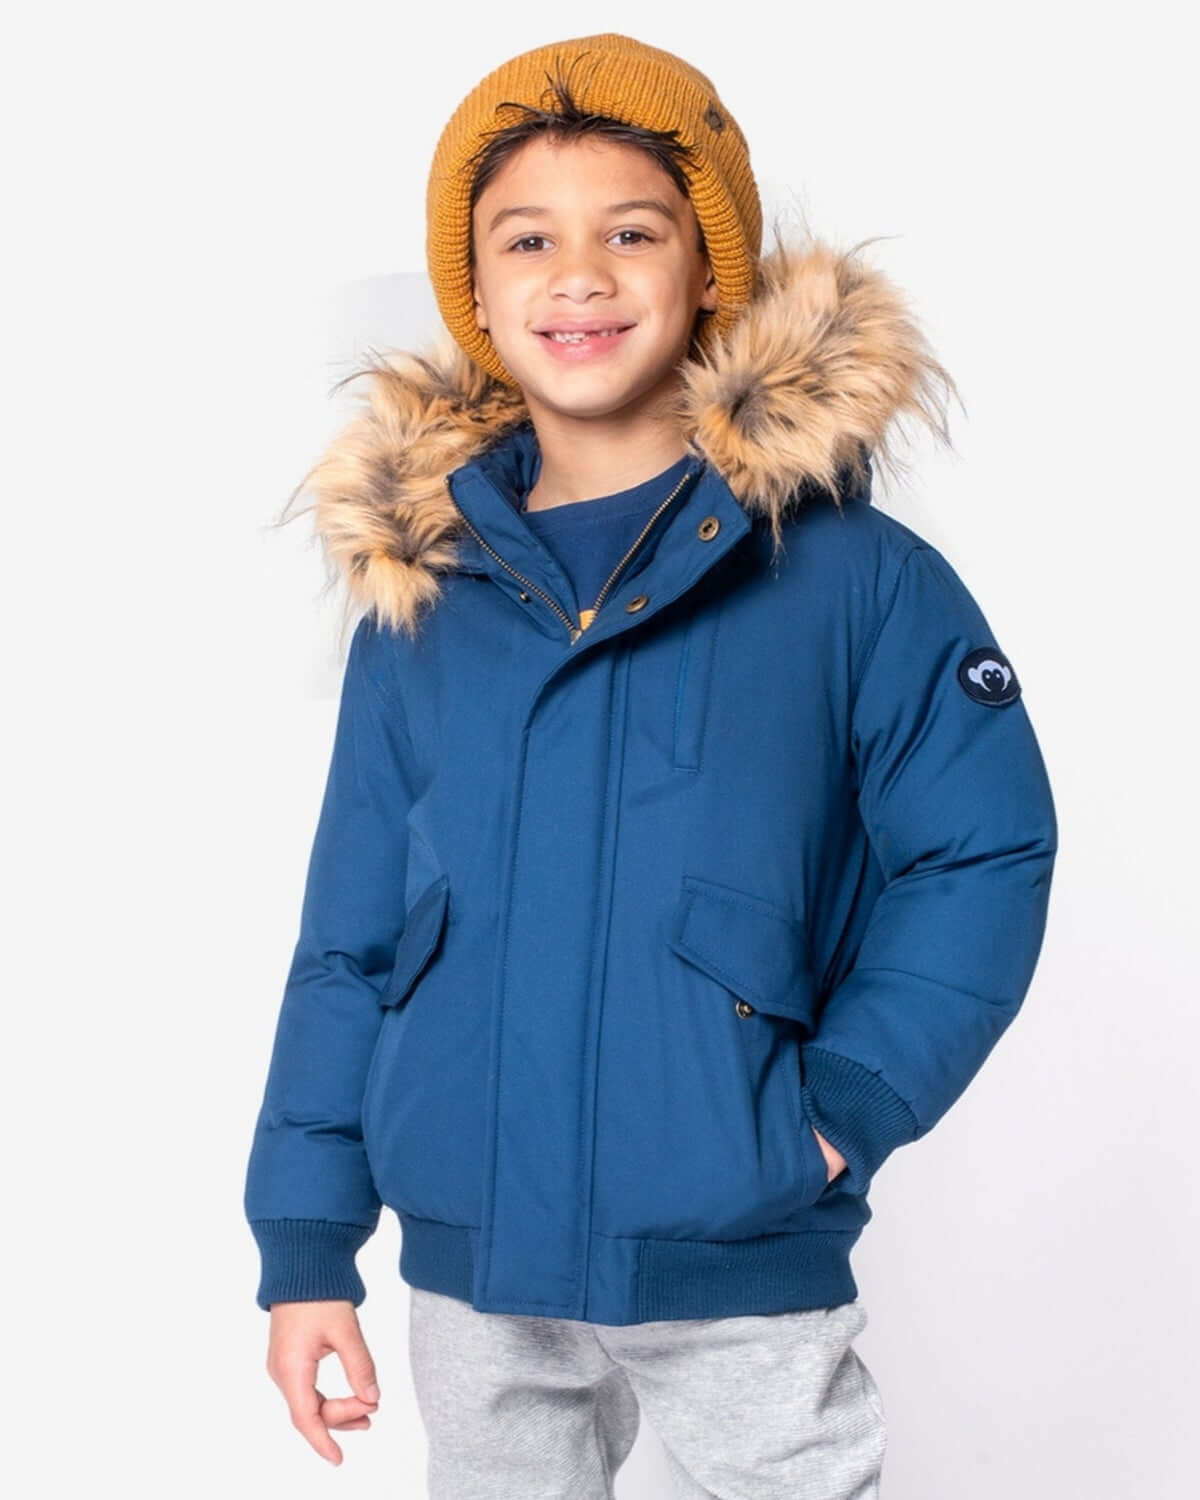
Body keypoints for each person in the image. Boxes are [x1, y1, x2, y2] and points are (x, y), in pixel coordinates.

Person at [243, 31, 1058, 1497]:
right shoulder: (424, 604)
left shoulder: (853, 580)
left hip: (734, 1226)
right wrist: (308, 1242)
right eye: (527, 240)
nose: (580, 276)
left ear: (708, 272)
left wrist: (841, 1108)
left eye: (631, 233)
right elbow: (350, 935)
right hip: (474, 1246)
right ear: (475, 291)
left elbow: (979, 852)